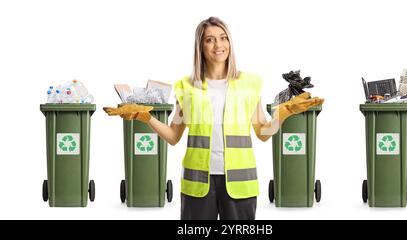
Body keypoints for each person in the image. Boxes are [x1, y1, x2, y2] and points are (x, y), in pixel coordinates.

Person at [104, 17, 323, 220]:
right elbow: (173, 136)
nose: (218, 45)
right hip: (197, 185)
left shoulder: (250, 84)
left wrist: (283, 113)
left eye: (223, 38)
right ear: (200, 46)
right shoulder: (185, 87)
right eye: (210, 40)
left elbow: (263, 133)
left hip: (240, 185)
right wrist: (146, 117)